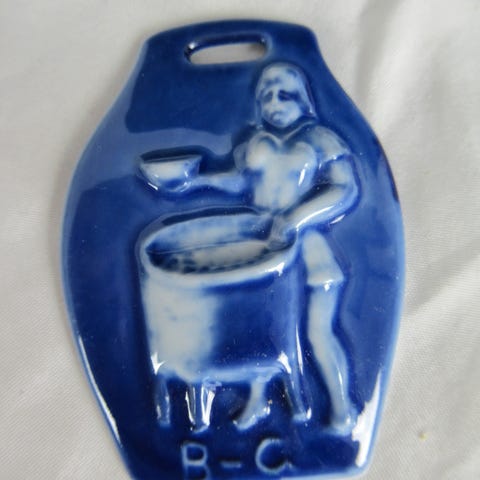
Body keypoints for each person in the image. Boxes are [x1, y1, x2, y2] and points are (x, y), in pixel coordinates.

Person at [233, 63, 359, 432]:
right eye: (267, 97)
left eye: (284, 95)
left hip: (309, 254)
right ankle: (258, 400)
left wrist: (295, 218)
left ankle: (341, 408)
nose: (274, 104)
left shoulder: (321, 139)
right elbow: (239, 184)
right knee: (261, 329)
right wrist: (193, 183)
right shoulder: (256, 143)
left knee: (318, 333)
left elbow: (344, 189)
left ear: (303, 100)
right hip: (265, 252)